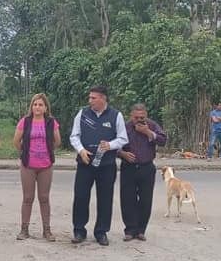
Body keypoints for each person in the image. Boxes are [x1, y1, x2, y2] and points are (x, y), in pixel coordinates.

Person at [69, 85, 128, 246]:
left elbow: (123, 139)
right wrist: (81, 150)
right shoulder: (82, 113)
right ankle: (79, 230)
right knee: (81, 197)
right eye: (90, 98)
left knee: (105, 198)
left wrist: (110, 145)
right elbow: (74, 136)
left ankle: (101, 232)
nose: (90, 101)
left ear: (103, 98)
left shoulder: (116, 115)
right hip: (85, 163)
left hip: (106, 165)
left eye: (93, 98)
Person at [12, 93, 62, 241]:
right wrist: (26, 151)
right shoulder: (25, 122)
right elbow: (16, 141)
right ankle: (24, 229)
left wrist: (47, 150)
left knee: (44, 198)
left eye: (40, 105)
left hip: (45, 165)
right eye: (35, 104)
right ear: (31, 107)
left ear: (46, 107)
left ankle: (47, 230)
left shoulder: (51, 122)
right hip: (28, 165)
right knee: (28, 198)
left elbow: (57, 141)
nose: (37, 107)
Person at [118, 103, 167, 241]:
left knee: (146, 200)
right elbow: (113, 145)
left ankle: (141, 230)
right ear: (131, 116)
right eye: (136, 117)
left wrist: (148, 132)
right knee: (127, 200)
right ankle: (130, 230)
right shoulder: (125, 127)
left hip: (147, 167)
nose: (139, 120)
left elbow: (163, 140)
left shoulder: (152, 125)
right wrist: (122, 153)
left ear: (146, 115)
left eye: (142, 117)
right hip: (128, 167)